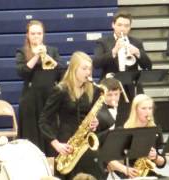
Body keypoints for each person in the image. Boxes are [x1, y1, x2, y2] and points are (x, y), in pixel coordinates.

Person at [39, 51, 105, 180]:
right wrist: (56, 144)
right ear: (74, 69)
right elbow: (43, 120)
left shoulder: (92, 90)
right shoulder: (61, 90)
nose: (88, 73)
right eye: (84, 68)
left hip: (86, 143)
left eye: (90, 69)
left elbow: (92, 114)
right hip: (67, 145)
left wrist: (95, 122)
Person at [16, 20, 63, 155]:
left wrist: (48, 57)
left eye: (39, 33)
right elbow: (22, 72)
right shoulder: (22, 51)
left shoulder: (53, 51)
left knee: (49, 132)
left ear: (43, 35)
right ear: (27, 35)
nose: (36, 36)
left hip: (49, 98)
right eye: (33, 33)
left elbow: (61, 72)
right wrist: (36, 55)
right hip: (30, 100)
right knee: (32, 136)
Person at [93, 11, 152, 100]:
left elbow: (148, 66)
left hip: (131, 88)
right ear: (113, 25)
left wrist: (137, 52)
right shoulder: (102, 42)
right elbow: (96, 64)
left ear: (130, 27)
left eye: (126, 26)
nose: (122, 29)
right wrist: (114, 51)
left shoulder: (136, 42)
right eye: (119, 25)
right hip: (110, 87)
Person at [107, 94, 166, 179]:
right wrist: (125, 169)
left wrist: (155, 156)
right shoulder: (122, 131)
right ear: (135, 110)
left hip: (146, 173)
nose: (148, 112)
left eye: (150, 108)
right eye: (144, 108)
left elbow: (162, 163)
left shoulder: (155, 130)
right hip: (125, 174)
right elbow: (109, 159)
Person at [96, 75, 130, 142]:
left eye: (116, 94)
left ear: (120, 93)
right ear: (101, 94)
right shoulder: (96, 111)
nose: (113, 98)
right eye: (109, 95)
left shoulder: (126, 108)